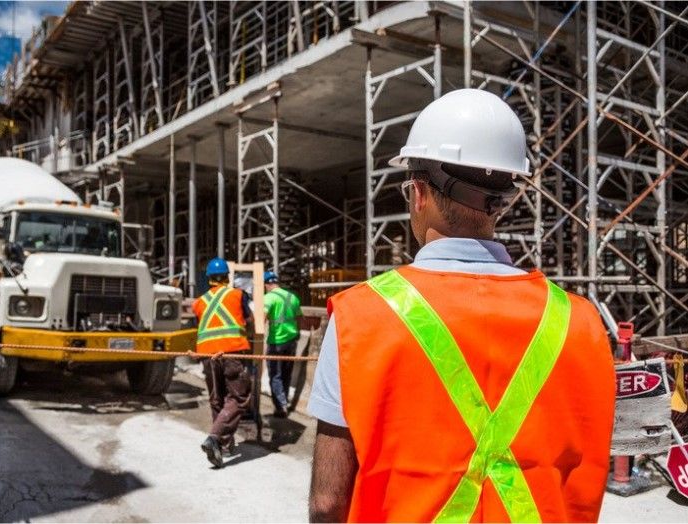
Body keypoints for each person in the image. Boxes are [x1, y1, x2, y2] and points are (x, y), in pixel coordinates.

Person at [307, 89, 615, 522]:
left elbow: (327, 502)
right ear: (502, 201)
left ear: (417, 194)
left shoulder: (360, 317)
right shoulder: (579, 321)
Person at [193, 257, 253, 469]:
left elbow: (202, 326)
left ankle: (223, 445)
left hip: (207, 355)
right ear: (227, 277)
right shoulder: (237, 295)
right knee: (239, 398)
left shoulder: (199, 302)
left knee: (217, 399)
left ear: (208, 278)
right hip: (231, 352)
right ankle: (215, 438)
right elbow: (249, 319)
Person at [263, 271, 302, 417]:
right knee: (287, 373)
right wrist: (296, 333)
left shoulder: (268, 298)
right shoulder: (292, 297)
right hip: (291, 341)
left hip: (276, 342)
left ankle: (281, 407)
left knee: (275, 375)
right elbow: (300, 318)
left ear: (267, 284)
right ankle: (284, 401)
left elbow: (263, 317)